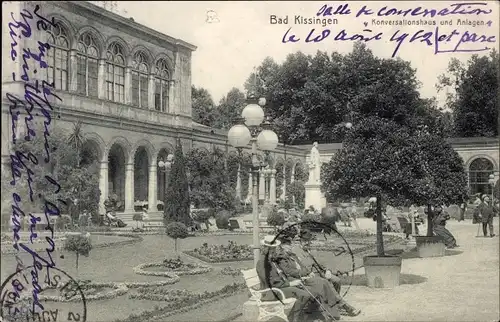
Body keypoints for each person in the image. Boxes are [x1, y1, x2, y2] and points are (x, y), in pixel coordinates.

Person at [277, 230, 361, 319]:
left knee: (337, 280)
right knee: (327, 284)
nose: (307, 243)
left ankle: (334, 304)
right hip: (311, 275)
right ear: (300, 241)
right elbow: (301, 267)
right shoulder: (296, 251)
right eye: (305, 241)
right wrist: (309, 272)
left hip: (320, 272)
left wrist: (328, 270)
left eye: (308, 241)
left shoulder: (310, 250)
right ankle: (345, 306)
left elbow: (321, 261)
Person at [256, 235, 318, 322]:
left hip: (278, 288)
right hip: (270, 292)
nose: (274, 251)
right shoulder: (263, 263)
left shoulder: (271, 260)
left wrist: (294, 281)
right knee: (304, 295)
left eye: (274, 248)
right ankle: (293, 318)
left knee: (307, 290)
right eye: (272, 249)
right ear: (266, 249)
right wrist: (290, 284)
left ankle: (296, 316)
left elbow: (280, 276)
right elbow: (271, 283)